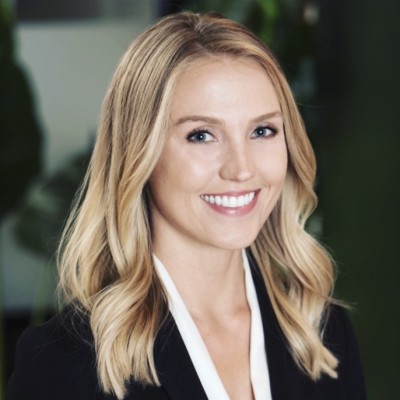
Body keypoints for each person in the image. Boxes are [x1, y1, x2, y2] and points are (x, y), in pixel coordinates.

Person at [6, 12, 366, 400]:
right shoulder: (63, 364)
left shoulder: (322, 333)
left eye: (262, 130)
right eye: (202, 135)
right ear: (140, 153)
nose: (242, 169)